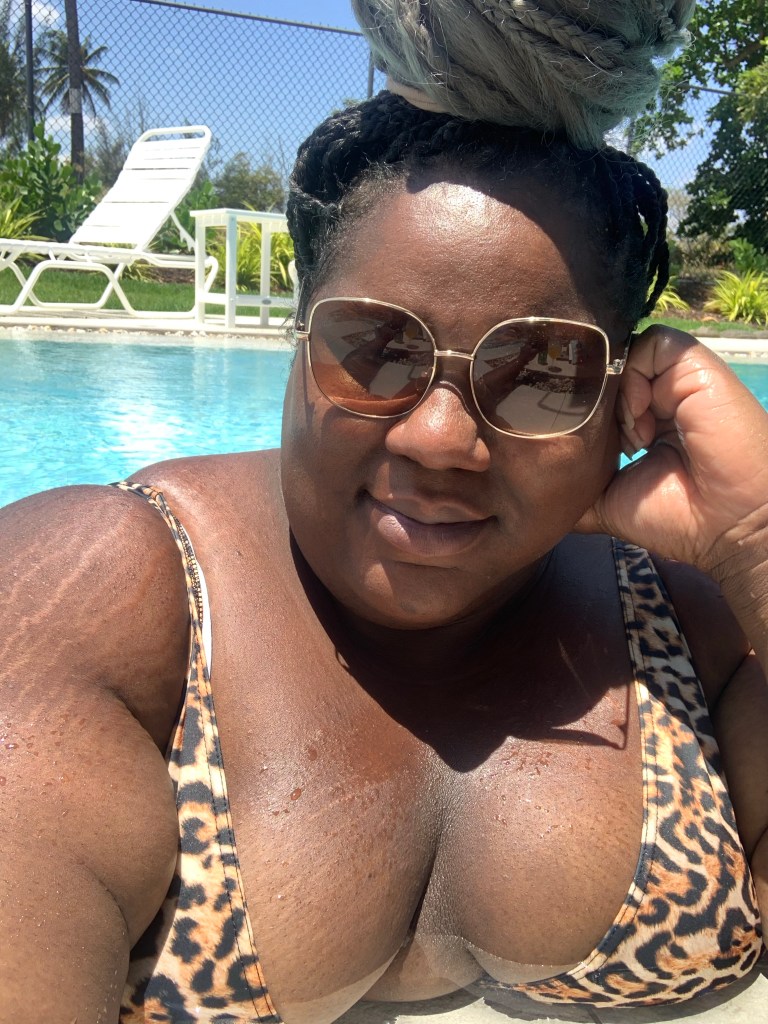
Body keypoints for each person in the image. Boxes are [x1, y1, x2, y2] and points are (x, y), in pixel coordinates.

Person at [2, 2, 768, 1023]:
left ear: (623, 399)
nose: (439, 439)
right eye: (375, 348)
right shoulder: (95, 594)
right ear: (294, 339)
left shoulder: (689, 624)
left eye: (542, 370)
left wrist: (758, 545)